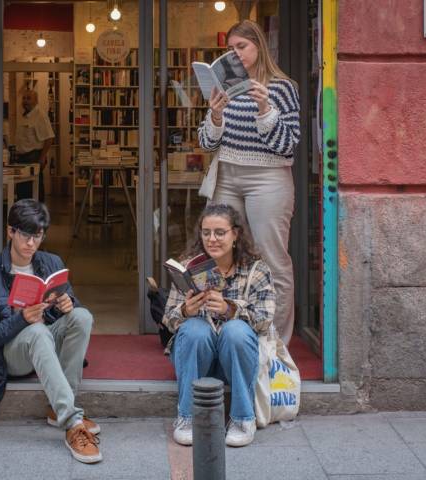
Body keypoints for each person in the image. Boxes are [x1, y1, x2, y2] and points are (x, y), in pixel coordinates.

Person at [0, 199, 102, 464]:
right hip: (12, 355)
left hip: (45, 344)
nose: (31, 243)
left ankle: (59, 406)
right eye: (25, 235)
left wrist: (68, 304)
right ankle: (72, 423)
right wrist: (22, 319)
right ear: (10, 232)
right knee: (37, 331)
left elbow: (69, 303)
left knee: (82, 317)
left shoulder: (51, 262)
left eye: (38, 236)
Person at [198, 20, 300, 345]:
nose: (235, 54)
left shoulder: (283, 87)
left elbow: (287, 144)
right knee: (222, 256)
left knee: (272, 259)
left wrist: (264, 108)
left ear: (259, 46)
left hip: (268, 179)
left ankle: (275, 343)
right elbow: (206, 143)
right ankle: (228, 334)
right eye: (231, 49)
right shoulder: (224, 87)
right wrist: (214, 116)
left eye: (241, 47)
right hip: (227, 175)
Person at [163, 204, 276, 447]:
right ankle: (186, 418)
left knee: (235, 330)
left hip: (235, 359)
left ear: (235, 234)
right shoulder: (187, 269)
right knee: (194, 329)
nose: (212, 239)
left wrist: (229, 309)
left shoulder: (256, 271)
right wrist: (185, 310)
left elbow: (265, 318)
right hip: (195, 356)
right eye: (206, 233)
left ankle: (242, 418)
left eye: (219, 232)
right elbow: (168, 320)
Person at [14, 88, 55, 201]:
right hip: (22, 159)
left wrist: (42, 157)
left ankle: (37, 216)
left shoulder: (40, 115)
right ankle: (25, 216)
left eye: (28, 98)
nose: (25, 101)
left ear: (36, 100)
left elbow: (49, 137)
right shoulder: (24, 115)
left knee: (34, 192)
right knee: (22, 191)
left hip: (33, 158)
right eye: (24, 98)